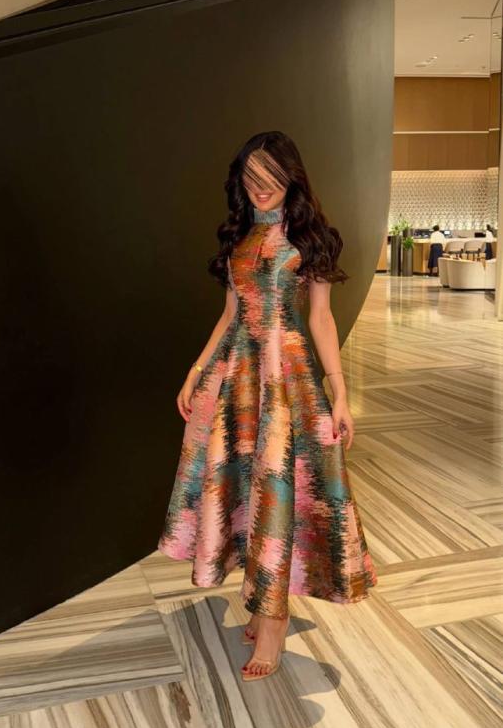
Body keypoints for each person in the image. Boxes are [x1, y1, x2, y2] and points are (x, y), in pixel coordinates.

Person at [157, 130, 377, 682]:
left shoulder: (309, 237)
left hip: (288, 382)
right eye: (251, 178)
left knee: (280, 490)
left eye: (271, 178)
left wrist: (339, 391)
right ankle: (261, 601)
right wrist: (196, 371)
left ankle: (274, 618)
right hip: (239, 378)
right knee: (248, 491)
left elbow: (320, 317)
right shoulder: (239, 238)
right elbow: (230, 316)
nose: (261, 188)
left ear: (291, 178)